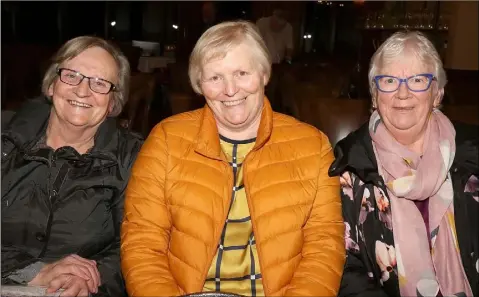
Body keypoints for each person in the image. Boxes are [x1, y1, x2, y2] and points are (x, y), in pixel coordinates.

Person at [121, 21, 345, 296]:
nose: (230, 90)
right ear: (199, 84)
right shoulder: (165, 141)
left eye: (241, 73)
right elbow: (142, 243)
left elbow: (325, 247)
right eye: (215, 77)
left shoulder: (313, 146)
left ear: (264, 74)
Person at [329, 31, 478, 297]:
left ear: (437, 94)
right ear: (374, 96)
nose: (402, 93)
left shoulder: (474, 156)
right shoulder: (349, 167)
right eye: (388, 80)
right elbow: (342, 267)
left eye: (418, 80)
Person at [1, 36, 143, 297]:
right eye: (71, 75)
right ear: (52, 84)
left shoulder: (133, 158)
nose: (82, 90)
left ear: (113, 102)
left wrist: (93, 277)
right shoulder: (4, 137)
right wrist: (31, 272)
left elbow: (137, 245)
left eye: (100, 83)